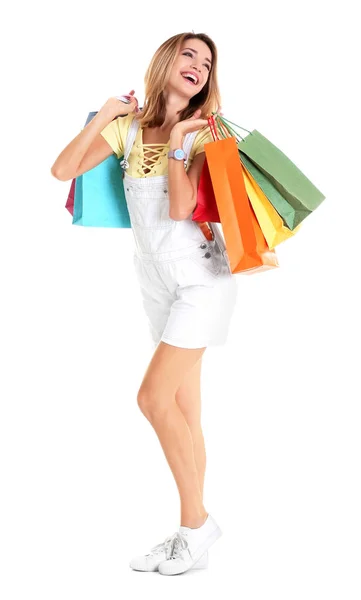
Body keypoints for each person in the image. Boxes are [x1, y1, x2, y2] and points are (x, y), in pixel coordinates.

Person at [51, 31, 238, 576]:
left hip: (202, 278)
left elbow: (182, 208)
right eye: (189, 55)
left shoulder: (204, 133)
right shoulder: (127, 127)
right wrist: (104, 113)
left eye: (207, 63)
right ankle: (193, 533)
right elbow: (63, 171)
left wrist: (181, 140)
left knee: (152, 399)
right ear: (166, 60)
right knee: (184, 411)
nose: (199, 67)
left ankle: (195, 527)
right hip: (154, 278)